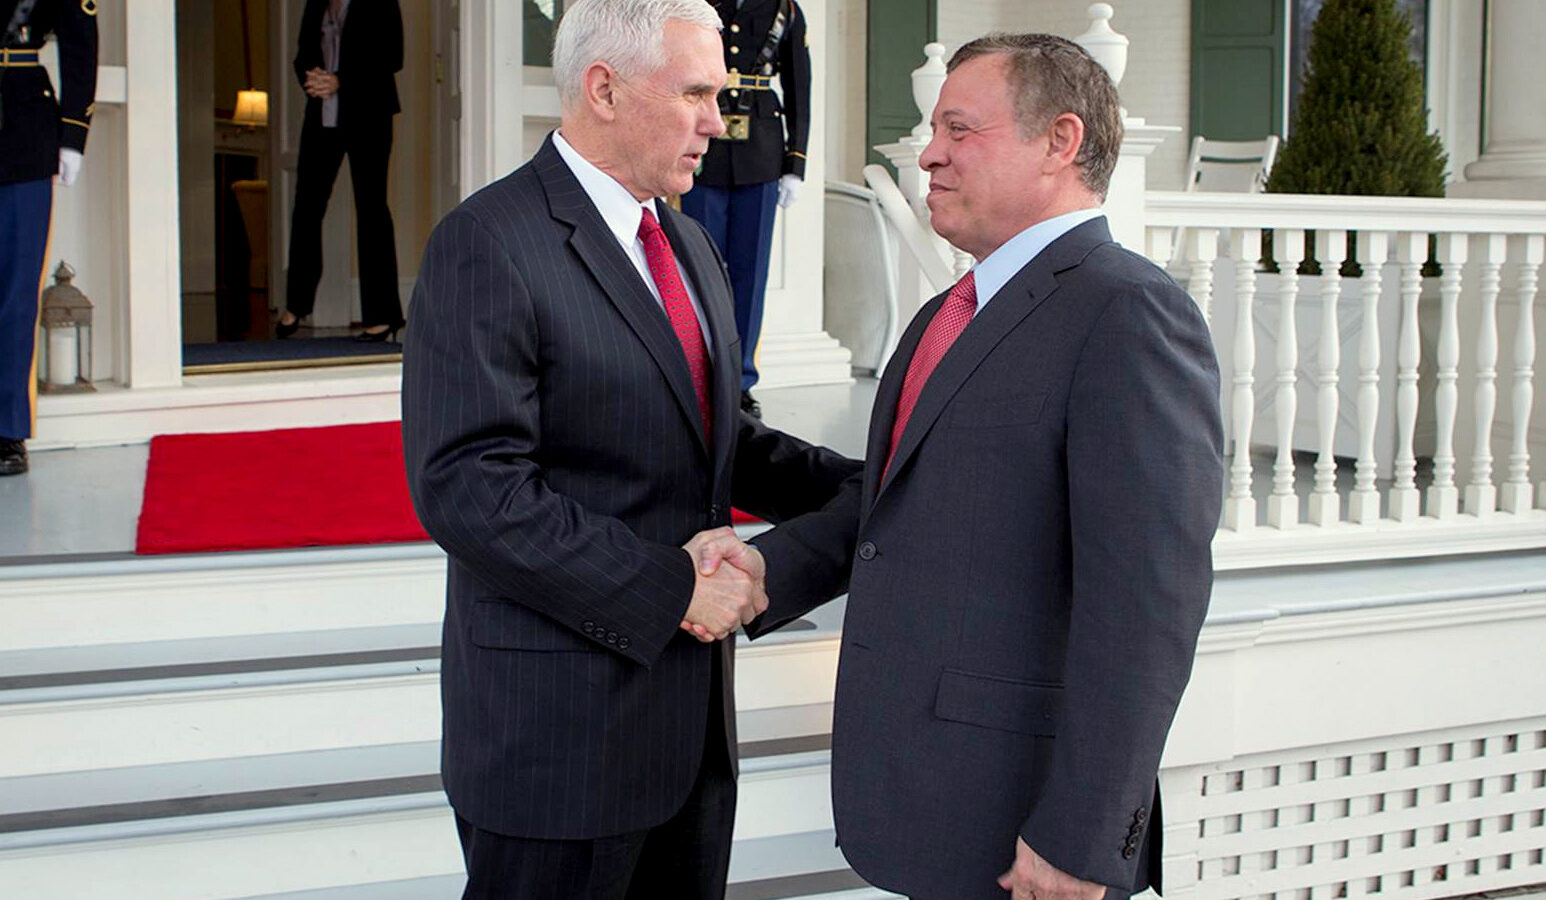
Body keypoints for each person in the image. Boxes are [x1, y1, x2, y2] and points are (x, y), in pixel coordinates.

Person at [692, 33, 1224, 900]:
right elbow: (896, 499)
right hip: (933, 795)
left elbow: (1146, 609)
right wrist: (765, 566)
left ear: (1060, 141)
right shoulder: (951, 309)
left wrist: (1083, 840)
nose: (927, 152)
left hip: (1032, 832)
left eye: (958, 128)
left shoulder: (1129, 315)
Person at [399, 0, 859, 896]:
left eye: (719, 95)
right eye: (693, 92)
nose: (714, 122)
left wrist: (877, 482)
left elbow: (718, 438)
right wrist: (675, 588)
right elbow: (469, 488)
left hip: (688, 745)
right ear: (603, 89)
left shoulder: (686, 244)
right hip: (555, 748)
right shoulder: (487, 243)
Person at [679, 0, 810, 419]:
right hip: (703, 150)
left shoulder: (784, 9)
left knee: (750, 275)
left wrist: (796, 163)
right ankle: (697, 377)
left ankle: (739, 383)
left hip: (762, 152)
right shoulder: (692, 5)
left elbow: (798, 86)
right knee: (697, 271)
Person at [0, 0, 96, 477]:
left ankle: (5, 427)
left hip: (22, 123)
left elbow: (79, 40)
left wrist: (73, 133)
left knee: (16, 292)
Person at [276, 0, 405, 343]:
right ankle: (296, 304)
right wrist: (312, 77)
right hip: (321, 116)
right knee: (306, 206)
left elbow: (393, 55)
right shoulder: (317, 1)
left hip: (369, 114)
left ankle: (382, 316)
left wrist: (340, 80)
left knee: (371, 209)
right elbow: (303, 52)